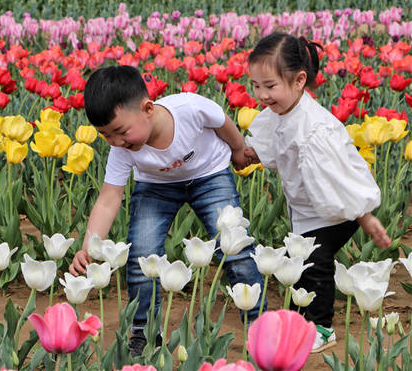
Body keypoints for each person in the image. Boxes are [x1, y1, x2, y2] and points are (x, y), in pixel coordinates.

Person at [68, 65, 265, 357]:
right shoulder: (122, 149)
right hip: (156, 187)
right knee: (141, 257)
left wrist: (238, 149)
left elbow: (222, 121)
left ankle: (261, 327)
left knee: (234, 245)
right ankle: (145, 333)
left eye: (121, 132)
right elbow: (109, 198)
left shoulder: (189, 108)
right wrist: (89, 247)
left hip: (209, 175)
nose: (116, 142)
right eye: (106, 135)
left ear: (148, 108)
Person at [243, 32, 391, 353]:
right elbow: (268, 143)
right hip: (308, 208)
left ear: (299, 80)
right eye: (255, 85)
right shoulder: (281, 113)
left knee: (315, 261)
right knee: (301, 260)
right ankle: (302, 314)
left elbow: (338, 179)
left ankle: (322, 327)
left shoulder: (312, 128)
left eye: (270, 86)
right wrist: (248, 152)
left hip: (338, 208)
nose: (261, 95)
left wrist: (365, 218)